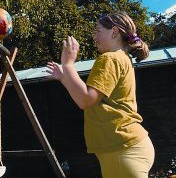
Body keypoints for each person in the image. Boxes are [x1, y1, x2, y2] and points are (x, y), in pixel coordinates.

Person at [47, 12, 155, 178]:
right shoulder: (122, 58)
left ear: (114, 32)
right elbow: (91, 98)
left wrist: (68, 64)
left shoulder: (109, 59)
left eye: (98, 31)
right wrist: (64, 77)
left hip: (122, 150)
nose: (94, 36)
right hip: (125, 149)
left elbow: (86, 99)